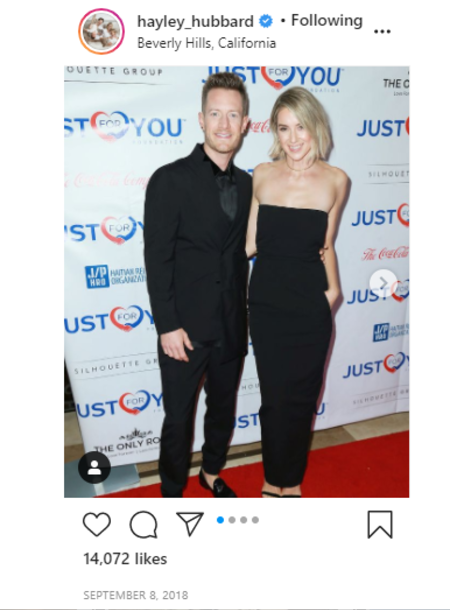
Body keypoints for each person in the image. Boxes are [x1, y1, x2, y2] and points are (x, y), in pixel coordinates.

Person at [144, 72, 252, 498]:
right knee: (178, 418)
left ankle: (210, 472)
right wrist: (167, 325)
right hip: (184, 330)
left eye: (233, 115)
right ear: (201, 119)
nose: (224, 124)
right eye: (215, 114)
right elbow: (157, 259)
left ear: (245, 123)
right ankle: (172, 490)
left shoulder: (249, 184)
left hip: (231, 323)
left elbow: (247, 247)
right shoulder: (169, 179)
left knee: (222, 410)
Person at [246, 86, 349, 498]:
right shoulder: (262, 174)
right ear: (274, 131)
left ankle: (292, 480)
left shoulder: (336, 180)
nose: (292, 138)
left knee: (303, 398)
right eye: (283, 128)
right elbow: (249, 244)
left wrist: (333, 291)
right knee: (274, 398)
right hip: (267, 304)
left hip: (310, 305)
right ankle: (273, 479)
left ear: (315, 127)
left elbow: (327, 245)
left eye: (300, 127)